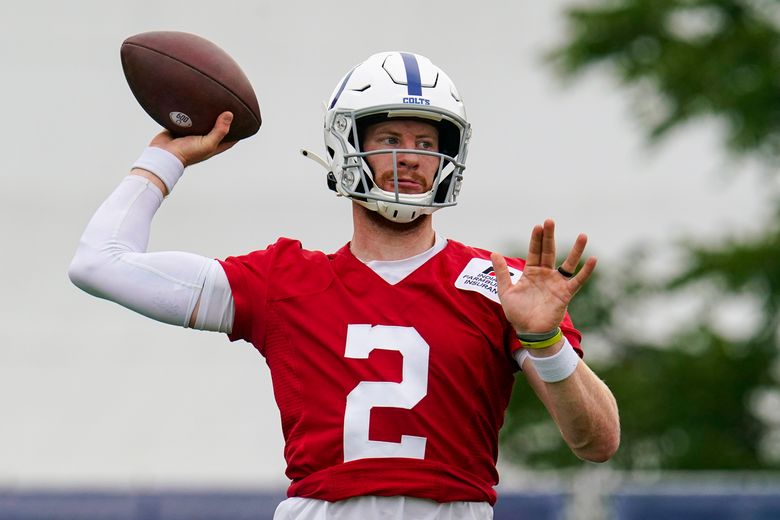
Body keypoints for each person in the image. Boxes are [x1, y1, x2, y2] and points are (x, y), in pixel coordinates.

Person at [69, 51, 619, 519]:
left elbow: (597, 442)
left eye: (426, 142)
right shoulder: (282, 280)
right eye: (389, 138)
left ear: (449, 156)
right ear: (347, 145)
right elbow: (100, 263)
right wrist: (164, 159)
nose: (410, 158)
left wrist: (546, 345)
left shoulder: (501, 286)